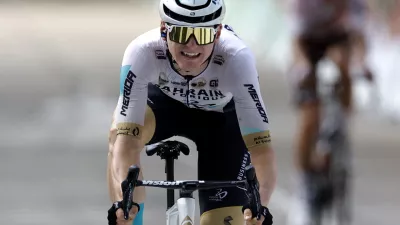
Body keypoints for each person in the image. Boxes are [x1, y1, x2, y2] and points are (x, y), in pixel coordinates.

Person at [107, 1, 276, 225]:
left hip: (221, 122)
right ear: (163, 28)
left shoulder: (237, 58)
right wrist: (124, 202)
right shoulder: (141, 51)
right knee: (118, 132)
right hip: (163, 107)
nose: (191, 45)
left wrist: (259, 205)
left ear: (217, 34)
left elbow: (261, 149)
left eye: (203, 35)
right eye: (181, 32)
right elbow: (126, 142)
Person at [284, 0, 372, 224]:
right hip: (308, 46)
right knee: (309, 117)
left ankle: (342, 119)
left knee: (342, 62)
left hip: (338, 43)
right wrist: (302, 70)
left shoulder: (355, 3)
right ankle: (304, 185)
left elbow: (359, 38)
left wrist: (362, 64)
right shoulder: (304, 4)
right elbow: (296, 43)